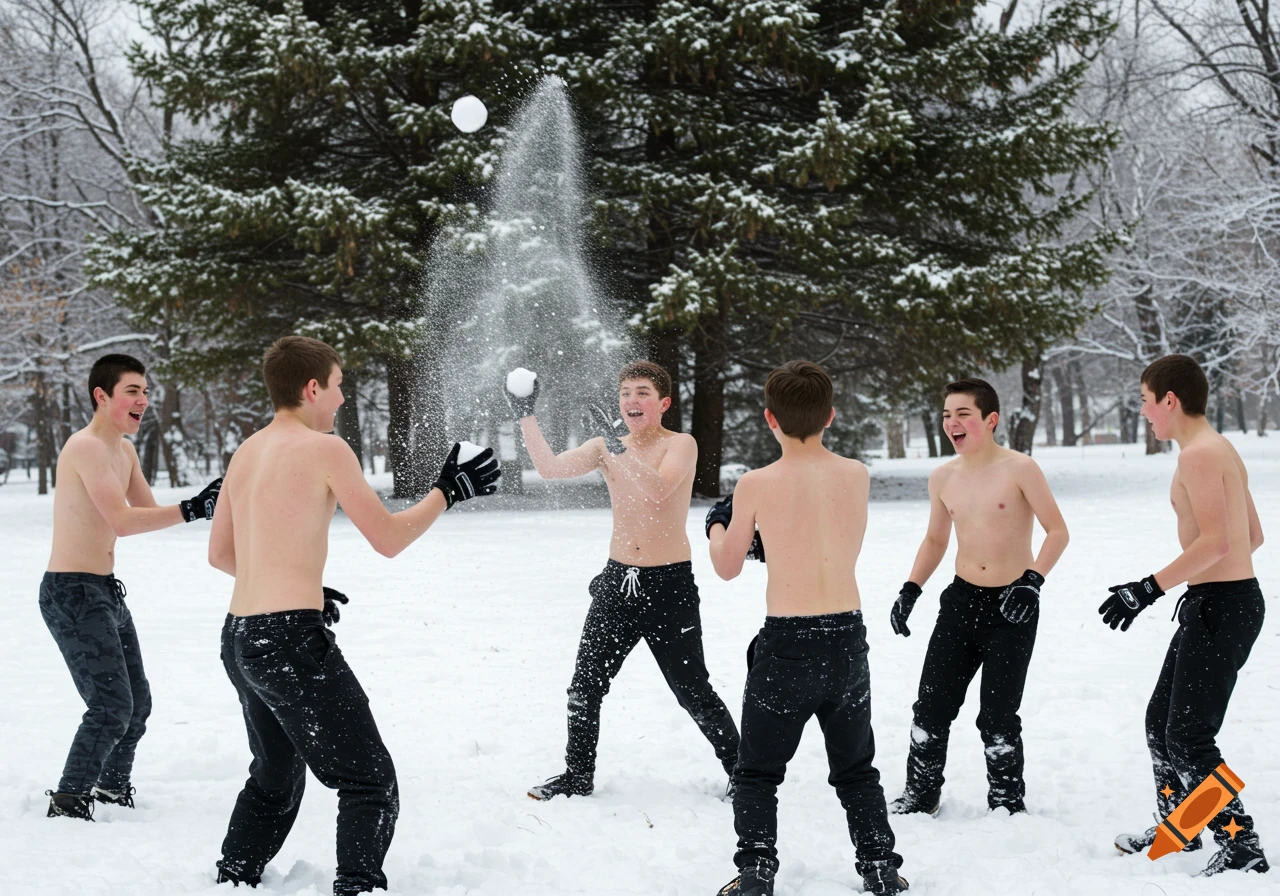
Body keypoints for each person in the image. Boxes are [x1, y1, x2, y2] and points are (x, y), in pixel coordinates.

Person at [211, 336, 500, 895]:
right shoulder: (325, 448)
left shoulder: (247, 450)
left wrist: (302, 586)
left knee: (275, 774)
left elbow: (222, 554)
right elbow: (388, 539)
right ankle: (357, 886)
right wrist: (447, 490)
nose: (342, 398)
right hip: (290, 642)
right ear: (312, 388)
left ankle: (232, 878)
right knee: (369, 781)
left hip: (240, 636)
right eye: (339, 385)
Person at [707, 360, 907, 896]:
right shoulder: (856, 475)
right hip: (847, 639)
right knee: (856, 767)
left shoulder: (755, 484)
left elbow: (726, 566)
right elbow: (824, 537)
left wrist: (718, 523)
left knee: (757, 772)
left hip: (787, 644)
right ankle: (880, 867)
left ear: (769, 418)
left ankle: (755, 872)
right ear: (831, 416)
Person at [509, 360, 740, 800]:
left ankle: (743, 772)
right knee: (584, 686)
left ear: (663, 403)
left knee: (693, 691)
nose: (632, 400)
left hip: (668, 586)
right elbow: (550, 469)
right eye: (625, 393)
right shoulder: (606, 445)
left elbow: (657, 489)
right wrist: (526, 414)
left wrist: (617, 447)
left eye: (643, 393)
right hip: (617, 582)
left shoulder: (681, 444)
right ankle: (577, 775)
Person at [1106, 354, 1268, 876]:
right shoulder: (1219, 448)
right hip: (1219, 605)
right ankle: (1182, 825)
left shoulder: (1198, 455)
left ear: (1169, 401)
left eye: (1145, 401)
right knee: (1162, 723)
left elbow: (1219, 542)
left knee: (1188, 735)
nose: (1144, 412)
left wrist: (1145, 589)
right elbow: (1253, 536)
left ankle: (1241, 845)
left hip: (1223, 607)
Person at [42, 353, 222, 820]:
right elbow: (121, 522)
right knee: (110, 705)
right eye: (132, 391)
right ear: (102, 396)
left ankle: (111, 789)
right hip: (71, 593)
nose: (144, 400)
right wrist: (193, 507)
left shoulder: (123, 450)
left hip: (103, 592)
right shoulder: (85, 447)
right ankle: (68, 799)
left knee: (135, 702)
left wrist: (217, 500)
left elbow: (146, 509)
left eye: (145, 391)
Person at [888, 378, 1068, 816]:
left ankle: (1007, 802)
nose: (952, 422)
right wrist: (911, 588)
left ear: (990, 420)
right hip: (961, 603)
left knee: (998, 716)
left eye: (962, 413)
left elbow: (1058, 532)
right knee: (931, 707)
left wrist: (1033, 580)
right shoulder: (943, 477)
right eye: (947, 414)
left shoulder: (1020, 469)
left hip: (1013, 606)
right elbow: (935, 540)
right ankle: (921, 794)